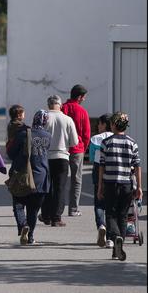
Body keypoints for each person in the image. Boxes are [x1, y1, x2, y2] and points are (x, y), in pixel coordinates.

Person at [97, 112, 142, 261]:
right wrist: (139, 187)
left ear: (114, 125)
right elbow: (137, 166)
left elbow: (101, 166)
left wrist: (100, 187)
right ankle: (118, 249)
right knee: (123, 216)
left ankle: (116, 237)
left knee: (110, 214)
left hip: (110, 183)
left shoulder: (106, 142)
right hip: (127, 184)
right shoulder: (132, 143)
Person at [7, 110, 52, 245]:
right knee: (33, 209)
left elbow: (11, 153)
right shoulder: (48, 136)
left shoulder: (23, 134)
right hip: (41, 176)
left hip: (23, 175)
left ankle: (23, 226)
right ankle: (30, 236)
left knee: (19, 204)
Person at [39, 95, 78, 227]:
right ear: (60, 105)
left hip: (45, 157)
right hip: (62, 157)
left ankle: (45, 215)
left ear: (48, 105)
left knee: (47, 187)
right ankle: (56, 218)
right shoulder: (68, 119)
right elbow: (74, 142)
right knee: (59, 188)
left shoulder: (44, 119)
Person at [61, 84, 91, 217]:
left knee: (59, 179)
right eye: (84, 97)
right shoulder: (82, 111)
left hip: (61, 148)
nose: (84, 99)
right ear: (79, 97)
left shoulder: (62, 108)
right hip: (77, 149)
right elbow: (86, 134)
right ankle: (73, 209)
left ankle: (57, 209)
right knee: (76, 179)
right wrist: (83, 148)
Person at [89, 113, 114, 248]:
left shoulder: (95, 139)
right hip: (113, 170)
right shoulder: (116, 137)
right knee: (111, 203)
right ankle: (110, 236)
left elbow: (92, 157)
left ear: (105, 124)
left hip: (98, 168)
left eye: (99, 123)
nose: (98, 126)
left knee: (99, 202)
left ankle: (101, 225)